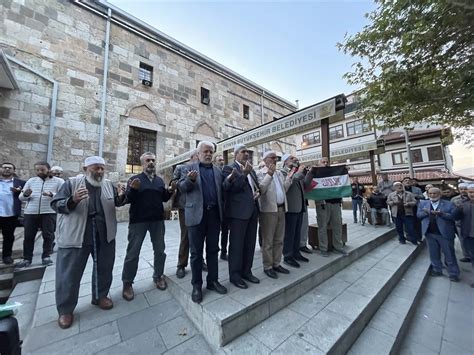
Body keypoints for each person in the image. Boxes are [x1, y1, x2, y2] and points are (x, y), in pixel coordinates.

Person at [51, 156, 125, 329]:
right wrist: (73, 199)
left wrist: (122, 195)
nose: (99, 172)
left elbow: (117, 202)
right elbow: (56, 204)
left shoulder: (107, 185)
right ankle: (65, 309)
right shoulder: (71, 184)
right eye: (95, 168)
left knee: (104, 267)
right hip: (77, 235)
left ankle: (101, 296)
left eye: (102, 169)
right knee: (69, 273)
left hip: (104, 233)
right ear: (85, 169)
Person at [121, 152, 175, 301]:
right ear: (142, 163)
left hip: (157, 220)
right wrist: (133, 189)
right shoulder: (134, 179)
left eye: (153, 160)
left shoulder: (159, 180)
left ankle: (158, 276)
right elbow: (127, 199)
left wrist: (170, 191)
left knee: (160, 250)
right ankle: (127, 283)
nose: (151, 162)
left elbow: (164, 198)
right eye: (148, 160)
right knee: (133, 253)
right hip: (138, 222)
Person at [178, 141, 227, 303]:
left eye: (210, 152)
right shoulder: (187, 169)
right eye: (205, 151)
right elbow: (182, 189)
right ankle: (196, 286)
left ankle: (213, 281)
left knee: (213, 250)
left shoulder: (218, 171)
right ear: (198, 154)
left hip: (214, 215)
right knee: (196, 253)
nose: (208, 154)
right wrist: (190, 181)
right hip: (196, 216)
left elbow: (222, 191)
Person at [222, 144, 260, 289]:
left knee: (250, 244)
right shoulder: (228, 169)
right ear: (236, 154)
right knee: (237, 245)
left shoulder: (251, 170)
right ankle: (235, 276)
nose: (246, 154)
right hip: (238, 213)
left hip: (252, 211)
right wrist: (243, 174)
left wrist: (258, 192)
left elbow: (256, 187)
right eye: (243, 152)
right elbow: (230, 189)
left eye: (247, 152)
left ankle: (247, 272)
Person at [16, 161, 64, 268]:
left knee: (48, 235)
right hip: (31, 212)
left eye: (42, 170)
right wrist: (25, 194)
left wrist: (52, 194)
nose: (40, 172)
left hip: (48, 212)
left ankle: (46, 256)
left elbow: (63, 195)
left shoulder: (58, 181)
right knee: (29, 236)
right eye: (37, 170)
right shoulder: (31, 181)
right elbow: (21, 197)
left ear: (48, 169)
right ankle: (27, 258)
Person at [256, 151, 291, 279]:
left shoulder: (279, 173)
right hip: (268, 211)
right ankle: (268, 266)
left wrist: (289, 178)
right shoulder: (260, 173)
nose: (275, 159)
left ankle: (277, 263)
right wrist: (269, 174)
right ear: (265, 160)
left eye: (276, 158)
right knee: (268, 241)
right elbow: (261, 189)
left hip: (281, 209)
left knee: (279, 239)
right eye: (272, 157)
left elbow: (284, 190)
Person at [418, 187, 460, 282]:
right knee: (433, 253)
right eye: (430, 194)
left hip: (444, 233)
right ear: (428, 194)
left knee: (449, 254)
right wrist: (427, 213)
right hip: (430, 233)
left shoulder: (449, 204)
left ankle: (453, 273)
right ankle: (437, 269)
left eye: (435, 194)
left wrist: (442, 214)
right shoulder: (423, 203)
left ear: (440, 194)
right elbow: (418, 215)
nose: (432, 195)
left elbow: (453, 217)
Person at [308, 157, 347, 257]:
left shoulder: (334, 172)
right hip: (323, 204)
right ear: (319, 163)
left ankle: (338, 247)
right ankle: (323, 248)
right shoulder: (315, 174)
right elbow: (309, 186)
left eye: (327, 162)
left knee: (337, 226)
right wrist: (313, 172)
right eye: (323, 162)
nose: (325, 163)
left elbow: (340, 185)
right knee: (322, 227)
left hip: (335, 203)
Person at [280, 154, 311, 267]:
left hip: (299, 206)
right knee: (289, 233)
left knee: (297, 232)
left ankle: (296, 253)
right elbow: (289, 182)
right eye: (292, 158)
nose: (295, 160)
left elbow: (306, 185)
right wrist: (298, 172)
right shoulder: (282, 172)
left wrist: (309, 173)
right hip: (291, 207)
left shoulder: (297, 172)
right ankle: (288, 256)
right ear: (285, 161)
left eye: (295, 158)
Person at [172, 150, 198, 279]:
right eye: (198, 156)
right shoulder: (181, 167)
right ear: (192, 157)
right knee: (186, 235)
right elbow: (173, 183)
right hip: (185, 206)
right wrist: (187, 180)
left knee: (200, 236)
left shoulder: (203, 168)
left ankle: (200, 260)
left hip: (199, 206)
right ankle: (181, 265)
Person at [0, 162, 25, 264]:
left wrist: (20, 191)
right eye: (4, 167)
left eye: (9, 168)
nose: (7, 169)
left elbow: (28, 193)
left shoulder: (20, 183)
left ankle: (6, 256)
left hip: (10, 214)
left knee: (9, 237)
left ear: (14, 171)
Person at [455, 184, 474, 287]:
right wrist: (457, 209)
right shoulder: (463, 203)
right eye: (470, 192)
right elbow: (455, 217)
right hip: (469, 235)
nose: (472, 194)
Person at [213, 154, 229, 261]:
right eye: (219, 160)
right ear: (214, 162)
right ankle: (215, 250)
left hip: (225, 206)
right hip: (216, 206)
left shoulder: (225, 172)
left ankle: (224, 252)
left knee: (225, 231)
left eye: (223, 160)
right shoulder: (213, 172)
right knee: (214, 231)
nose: (222, 161)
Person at [451, 182, 471, 262]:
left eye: (465, 189)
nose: (463, 191)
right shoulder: (454, 199)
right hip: (460, 223)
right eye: (461, 189)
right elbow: (452, 212)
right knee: (463, 240)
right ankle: (467, 255)